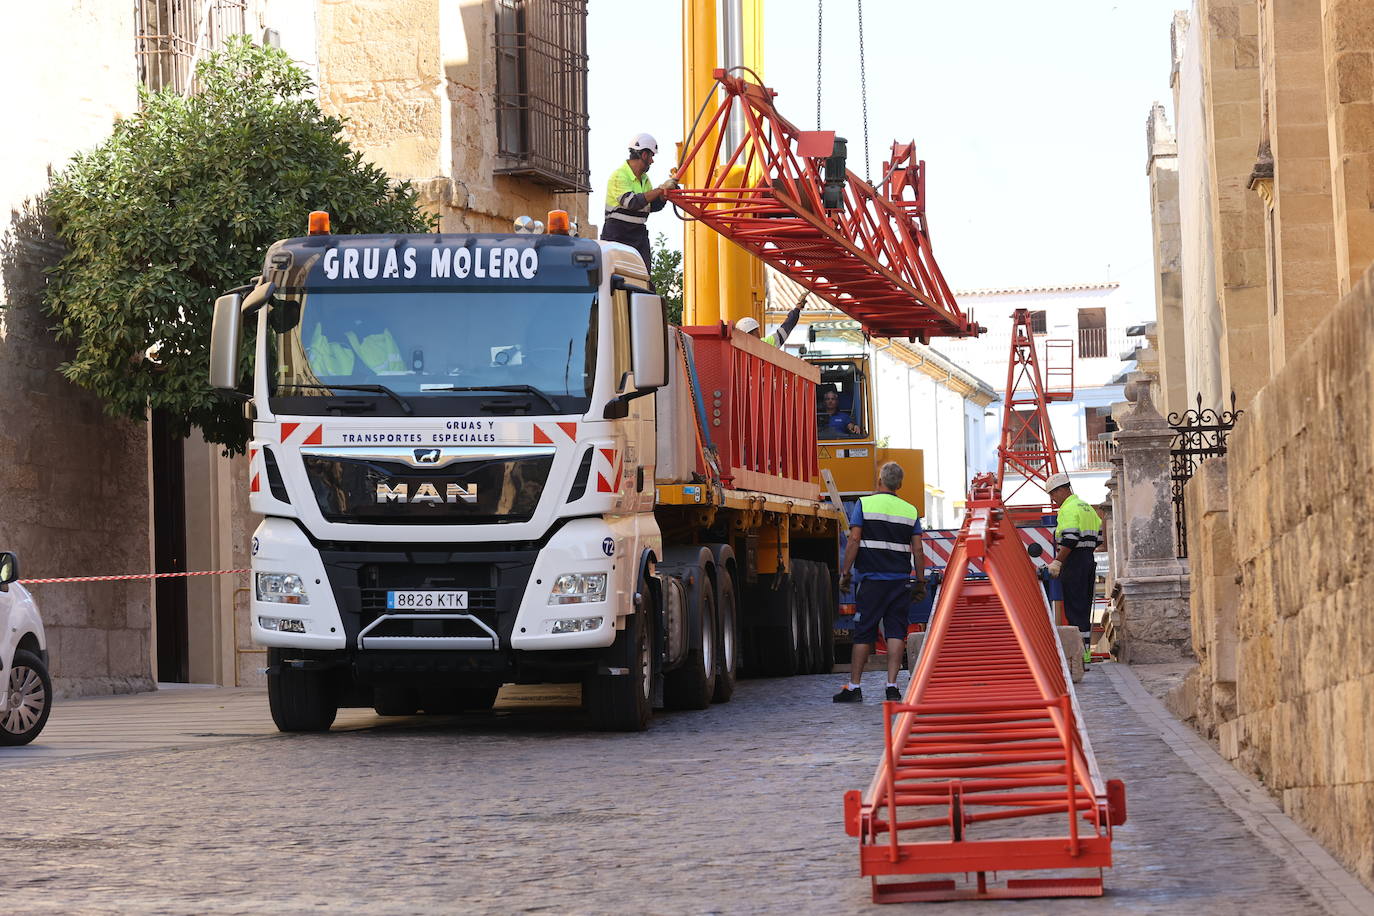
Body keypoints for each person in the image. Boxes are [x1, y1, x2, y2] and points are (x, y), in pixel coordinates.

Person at [834, 461, 925, 703]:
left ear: (879, 481)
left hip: (872, 581)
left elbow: (853, 540)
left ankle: (854, 688)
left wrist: (846, 573)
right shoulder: (910, 511)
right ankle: (892, 686)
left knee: (864, 632)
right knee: (896, 632)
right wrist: (921, 581)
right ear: (900, 484)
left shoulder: (865, 504)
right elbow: (917, 549)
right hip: (899, 582)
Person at [602, 133, 677, 287]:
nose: (652, 160)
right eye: (651, 156)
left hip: (638, 234)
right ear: (643, 154)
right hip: (617, 234)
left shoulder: (644, 179)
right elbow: (632, 202)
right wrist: (660, 189)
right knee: (615, 281)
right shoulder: (619, 176)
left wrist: (663, 196)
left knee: (644, 280)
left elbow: (649, 206)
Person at [1044, 472, 1102, 664]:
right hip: (1088, 561)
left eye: (1053, 494)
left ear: (1062, 490)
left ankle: (1078, 655)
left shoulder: (1068, 509)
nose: (1053, 499)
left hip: (1074, 562)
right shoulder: (1087, 508)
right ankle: (1084, 653)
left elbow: (1069, 539)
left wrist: (1058, 561)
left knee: (1073, 609)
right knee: (1083, 608)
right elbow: (1099, 538)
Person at [735, 292, 805, 347]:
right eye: (755, 331)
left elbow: (786, 328)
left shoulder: (764, 343)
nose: (758, 334)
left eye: (757, 330)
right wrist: (797, 309)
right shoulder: (764, 345)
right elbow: (786, 327)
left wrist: (797, 309)